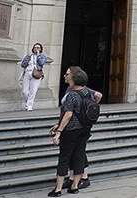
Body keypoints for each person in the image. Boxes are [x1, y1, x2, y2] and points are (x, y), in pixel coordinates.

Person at [49, 67, 97, 196]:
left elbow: (68, 115)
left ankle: (58, 189)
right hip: (85, 128)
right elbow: (97, 98)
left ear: (74, 78)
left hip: (71, 130)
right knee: (79, 156)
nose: (65, 76)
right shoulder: (88, 92)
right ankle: (75, 186)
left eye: (68, 74)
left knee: (64, 158)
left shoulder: (71, 95)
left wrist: (59, 131)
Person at [20, 42, 47, 111]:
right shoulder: (29, 56)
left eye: (38, 48)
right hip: (28, 73)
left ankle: (29, 106)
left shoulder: (42, 56)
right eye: (35, 47)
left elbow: (41, 63)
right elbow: (23, 64)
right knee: (24, 91)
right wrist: (27, 60)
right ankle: (28, 103)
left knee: (33, 91)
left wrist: (38, 56)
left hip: (36, 74)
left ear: (40, 49)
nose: (36, 49)